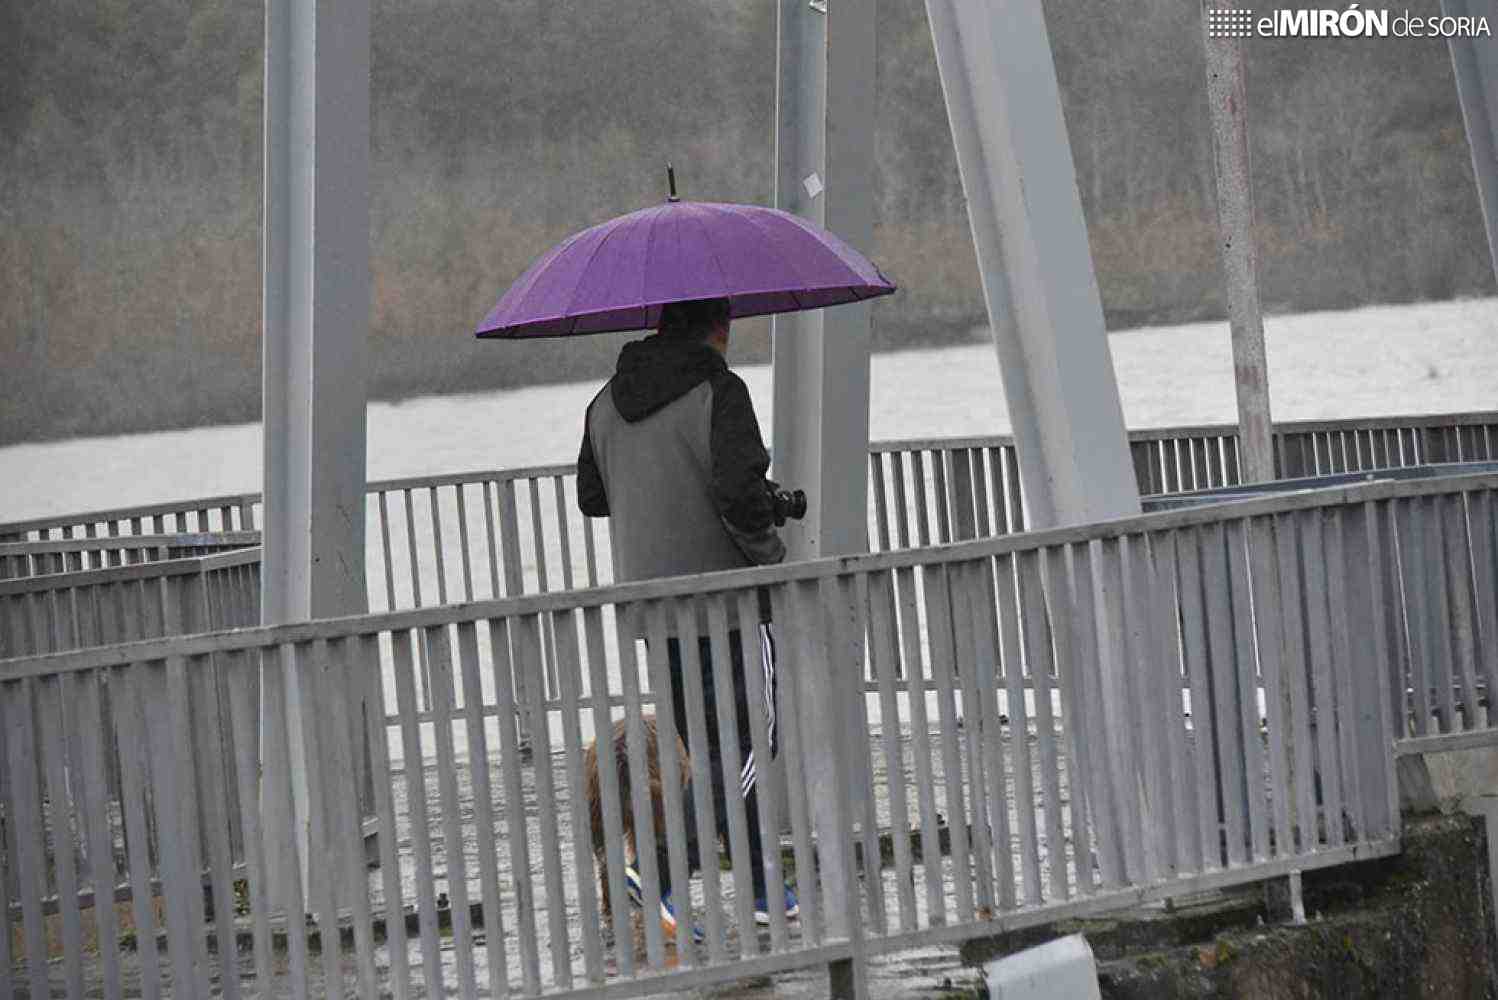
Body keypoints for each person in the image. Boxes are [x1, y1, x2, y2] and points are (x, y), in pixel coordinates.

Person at [576, 295, 799, 934]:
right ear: (719, 327)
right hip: (728, 601)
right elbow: (738, 496)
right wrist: (771, 557)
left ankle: (764, 892)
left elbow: (594, 497)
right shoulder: (719, 391)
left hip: (654, 609)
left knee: (707, 751)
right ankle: (656, 869)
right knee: (752, 742)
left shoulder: (604, 404)